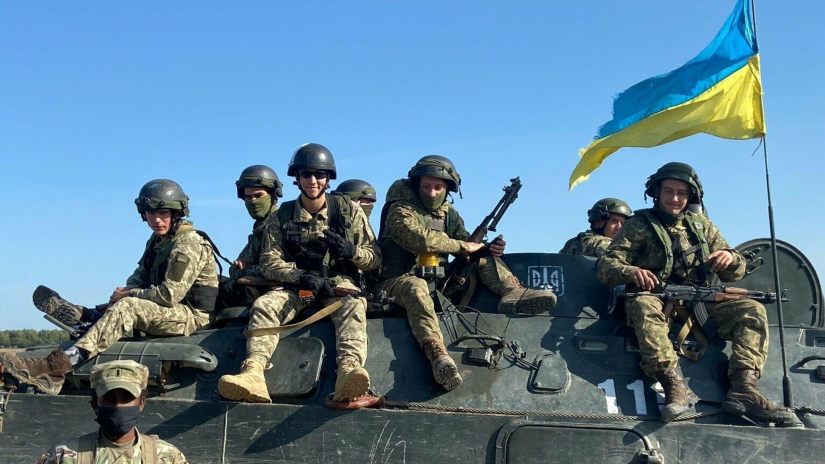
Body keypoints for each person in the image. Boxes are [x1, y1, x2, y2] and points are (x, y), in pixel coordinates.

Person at [596, 162, 799, 425]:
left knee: (752, 310)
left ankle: (744, 388)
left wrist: (730, 258)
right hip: (656, 298)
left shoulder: (702, 226)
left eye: (681, 193)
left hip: (699, 300)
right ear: (656, 193)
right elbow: (607, 265)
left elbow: (735, 270)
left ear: (690, 196)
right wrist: (631, 272)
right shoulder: (639, 225)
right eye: (669, 191)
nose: (675, 198)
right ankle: (672, 384)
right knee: (643, 304)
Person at [0, 180, 219, 395]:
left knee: (129, 306)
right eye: (151, 214)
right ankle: (90, 316)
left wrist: (129, 295)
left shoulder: (189, 243)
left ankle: (57, 366)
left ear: (177, 213)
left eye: (163, 213)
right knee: (122, 304)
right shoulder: (158, 241)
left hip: (192, 316)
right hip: (167, 309)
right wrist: (119, 297)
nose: (157, 220)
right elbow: (139, 276)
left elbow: (170, 295)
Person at [377, 155, 557, 391]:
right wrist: (464, 246)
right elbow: (419, 239)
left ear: (448, 189)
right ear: (416, 185)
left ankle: (512, 292)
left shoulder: (448, 214)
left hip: (438, 281)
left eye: (438, 187)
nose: (432, 193)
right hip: (394, 282)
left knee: (481, 255)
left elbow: (468, 242)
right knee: (416, 287)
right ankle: (438, 355)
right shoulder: (400, 209)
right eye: (426, 186)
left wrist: (488, 248)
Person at [217, 143, 380, 404]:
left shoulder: (348, 211)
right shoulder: (282, 216)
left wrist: (351, 252)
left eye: (319, 174)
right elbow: (270, 262)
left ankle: (349, 373)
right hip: (297, 288)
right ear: (297, 178)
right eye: (306, 174)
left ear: (328, 178)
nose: (313, 181)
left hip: (337, 287)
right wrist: (301, 276)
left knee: (353, 305)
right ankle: (253, 373)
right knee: (265, 305)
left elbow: (375, 259)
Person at [36, 359, 188, 463]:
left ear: (141, 403)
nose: (118, 406)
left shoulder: (167, 457)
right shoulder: (64, 456)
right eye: (109, 399)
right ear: (95, 404)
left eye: (127, 398)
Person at [222, 165, 283, 307]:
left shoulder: (282, 223)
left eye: (258, 196)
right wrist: (242, 268)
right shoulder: (259, 229)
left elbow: (274, 269)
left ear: (273, 195)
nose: (253, 201)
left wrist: (246, 270)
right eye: (248, 197)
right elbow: (235, 268)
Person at [559, 198, 633, 258]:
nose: (619, 227)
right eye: (614, 221)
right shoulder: (601, 242)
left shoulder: (573, 242)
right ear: (598, 221)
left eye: (622, 223)